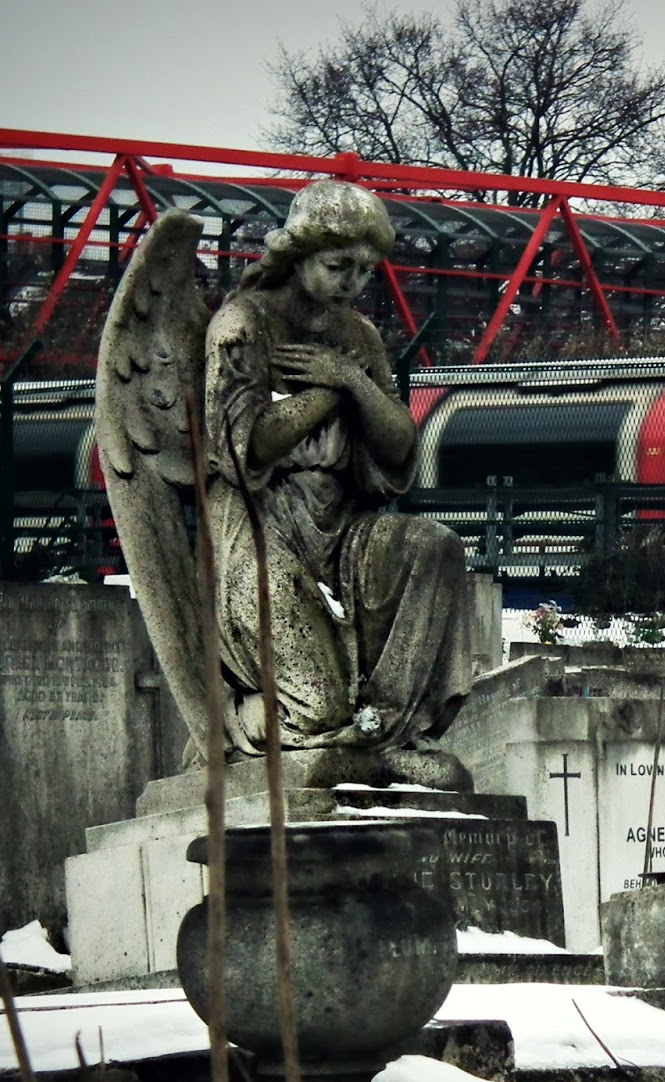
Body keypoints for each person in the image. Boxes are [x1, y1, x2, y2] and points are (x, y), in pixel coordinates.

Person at [202, 180, 471, 787]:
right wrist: (329, 387)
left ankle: (389, 732)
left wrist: (352, 376)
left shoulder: (359, 338)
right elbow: (247, 448)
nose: (353, 282)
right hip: (259, 530)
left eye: (365, 270)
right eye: (338, 265)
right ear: (298, 254)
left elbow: (398, 445)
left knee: (433, 545)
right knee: (318, 711)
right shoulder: (242, 325)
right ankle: (240, 718)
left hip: (340, 527)